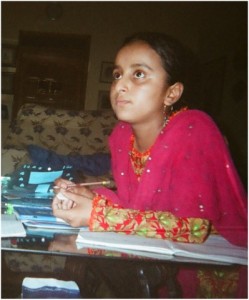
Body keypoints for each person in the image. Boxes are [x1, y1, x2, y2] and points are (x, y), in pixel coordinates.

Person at [52, 32, 247, 298]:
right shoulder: (122, 136)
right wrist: (85, 195)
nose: (120, 86)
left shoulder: (194, 129)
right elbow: (137, 207)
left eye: (139, 74)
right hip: (154, 255)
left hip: (209, 270)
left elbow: (193, 227)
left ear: (172, 93)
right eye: (117, 74)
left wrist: (97, 214)